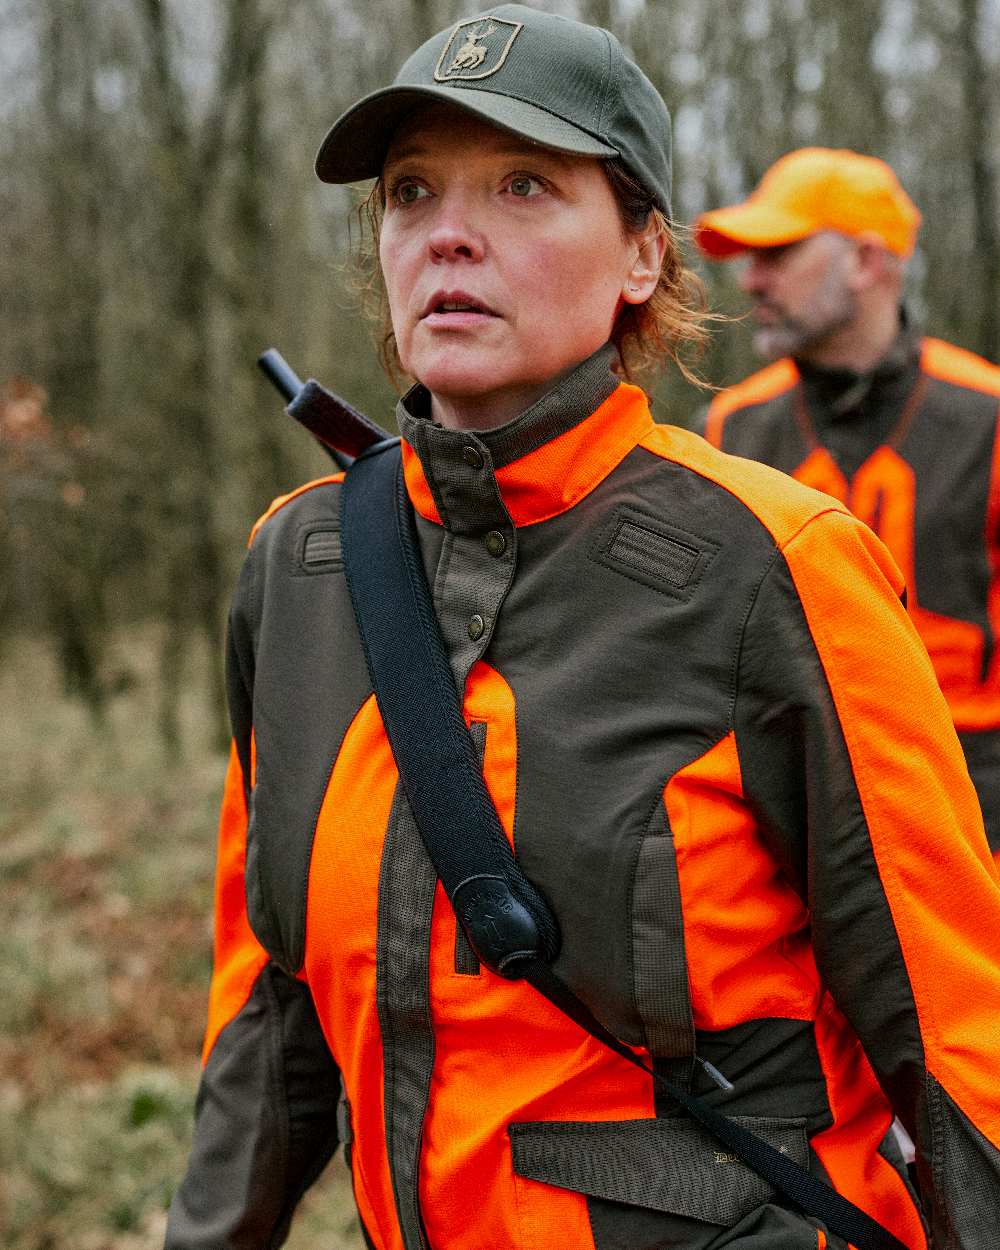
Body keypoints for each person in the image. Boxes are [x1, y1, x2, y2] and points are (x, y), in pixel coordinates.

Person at [166, 12, 1000, 1249]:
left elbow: (953, 1034)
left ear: (640, 257)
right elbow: (270, 1002)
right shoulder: (298, 563)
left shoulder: (775, 562)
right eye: (409, 192)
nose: (448, 230)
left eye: (523, 185)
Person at [695, 147, 1000, 857]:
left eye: (778, 253)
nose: (752, 279)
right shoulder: (733, 426)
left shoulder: (987, 415)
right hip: (791, 813)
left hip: (975, 807)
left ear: (867, 262)